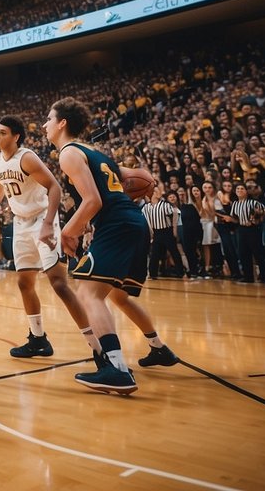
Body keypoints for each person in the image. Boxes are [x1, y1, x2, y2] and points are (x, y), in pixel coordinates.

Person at [45, 98, 178, 395]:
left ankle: (116, 370)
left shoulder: (68, 153)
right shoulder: (96, 152)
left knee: (87, 293)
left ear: (62, 123)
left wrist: (69, 230)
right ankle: (159, 348)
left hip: (118, 224)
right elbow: (130, 180)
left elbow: (93, 200)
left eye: (49, 119)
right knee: (118, 296)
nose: (45, 125)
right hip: (134, 222)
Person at [0, 116, 96, 359]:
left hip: (43, 218)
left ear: (16, 137)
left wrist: (47, 224)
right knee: (24, 283)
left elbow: (55, 187)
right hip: (21, 223)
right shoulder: (0, 163)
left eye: (2, 132)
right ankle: (38, 339)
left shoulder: (27, 157)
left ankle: (97, 347)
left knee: (59, 284)